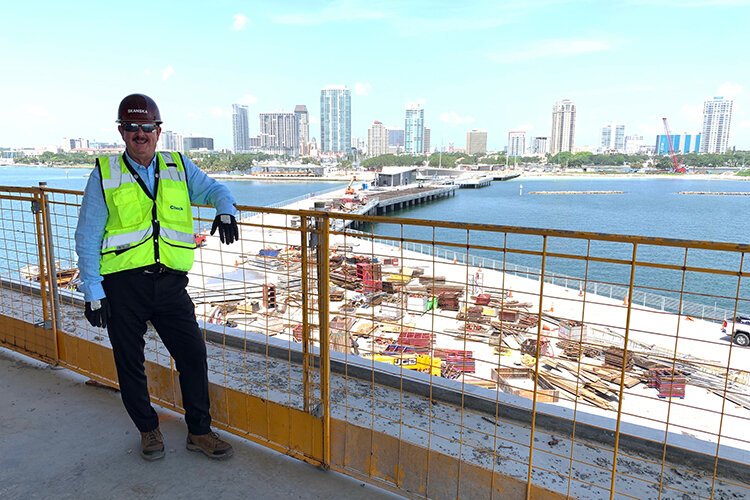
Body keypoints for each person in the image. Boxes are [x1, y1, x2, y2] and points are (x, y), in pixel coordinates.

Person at [75, 93, 239, 461]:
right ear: (121, 132)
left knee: (193, 355)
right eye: (131, 127)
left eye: (146, 127)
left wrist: (226, 210)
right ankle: (148, 429)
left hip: (169, 284)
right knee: (130, 362)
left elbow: (215, 189)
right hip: (122, 287)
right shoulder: (105, 173)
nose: (140, 134)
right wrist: (93, 291)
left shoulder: (178, 165)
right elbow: (87, 236)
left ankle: (199, 430)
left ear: (159, 131)